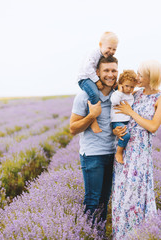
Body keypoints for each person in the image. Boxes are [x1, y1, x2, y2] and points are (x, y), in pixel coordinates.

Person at [111, 60, 161, 239]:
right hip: (125, 147)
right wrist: (116, 130)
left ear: (151, 78)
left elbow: (153, 127)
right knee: (121, 195)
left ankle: (138, 235)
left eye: (141, 75)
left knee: (135, 196)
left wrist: (132, 113)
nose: (137, 77)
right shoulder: (135, 94)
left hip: (140, 153)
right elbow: (119, 112)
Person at [70, 56, 118, 226]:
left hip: (112, 154)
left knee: (104, 201)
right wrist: (92, 116)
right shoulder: (84, 96)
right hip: (92, 156)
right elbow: (73, 128)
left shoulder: (117, 96)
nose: (110, 74)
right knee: (92, 201)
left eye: (113, 70)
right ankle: (89, 234)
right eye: (106, 70)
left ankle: (99, 234)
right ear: (97, 73)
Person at [77, 31, 119, 133]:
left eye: (114, 49)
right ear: (100, 45)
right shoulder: (95, 54)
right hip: (85, 78)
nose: (111, 51)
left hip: (92, 77)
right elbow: (87, 68)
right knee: (94, 94)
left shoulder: (103, 55)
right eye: (109, 48)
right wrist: (97, 81)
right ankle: (93, 120)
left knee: (116, 88)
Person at [110, 70, 138, 164]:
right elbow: (114, 102)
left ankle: (122, 150)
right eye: (126, 86)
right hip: (117, 121)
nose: (129, 89)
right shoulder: (117, 94)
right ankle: (118, 152)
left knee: (126, 137)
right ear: (121, 84)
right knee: (126, 135)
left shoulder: (130, 95)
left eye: (132, 87)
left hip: (126, 121)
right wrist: (120, 91)